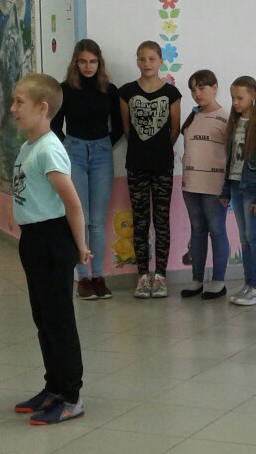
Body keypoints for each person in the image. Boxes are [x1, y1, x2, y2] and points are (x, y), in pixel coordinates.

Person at [9, 74, 92, 425]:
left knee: (59, 320)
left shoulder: (49, 149)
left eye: (19, 102)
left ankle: (71, 396)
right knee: (43, 318)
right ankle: (53, 387)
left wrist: (80, 246)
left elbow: (72, 204)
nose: (13, 108)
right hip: (34, 240)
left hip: (53, 240)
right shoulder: (29, 146)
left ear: (43, 108)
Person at [52, 39, 123, 300]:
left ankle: (98, 276)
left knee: (97, 221)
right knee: (78, 217)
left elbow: (119, 126)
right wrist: (68, 147)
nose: (88, 66)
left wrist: (104, 145)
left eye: (92, 62)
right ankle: (82, 277)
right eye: (83, 61)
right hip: (75, 152)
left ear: (99, 63)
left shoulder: (109, 90)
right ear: (76, 63)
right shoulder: (65, 89)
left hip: (102, 152)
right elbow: (55, 125)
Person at [118, 40, 182, 298]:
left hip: (162, 165)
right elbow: (126, 129)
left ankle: (161, 276)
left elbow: (174, 129)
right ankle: (143, 276)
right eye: (142, 59)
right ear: (137, 61)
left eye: (152, 59)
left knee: (161, 220)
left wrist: (160, 150)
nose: (147, 64)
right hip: (136, 165)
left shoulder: (171, 93)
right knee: (140, 221)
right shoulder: (126, 92)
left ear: (160, 61)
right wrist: (143, 149)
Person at [220, 76, 256, 306]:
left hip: (252, 189)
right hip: (235, 186)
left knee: (254, 237)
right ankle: (249, 285)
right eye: (233, 97)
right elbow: (230, 159)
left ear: (253, 95)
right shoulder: (234, 121)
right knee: (244, 238)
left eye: (240, 98)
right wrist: (225, 191)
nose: (235, 102)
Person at [179, 70, 230, 299]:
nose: (197, 93)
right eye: (193, 89)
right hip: (191, 184)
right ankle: (197, 279)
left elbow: (231, 154)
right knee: (197, 231)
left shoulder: (225, 118)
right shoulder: (193, 116)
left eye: (202, 88)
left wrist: (228, 188)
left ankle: (218, 281)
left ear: (215, 87)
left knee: (217, 231)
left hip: (214, 186)